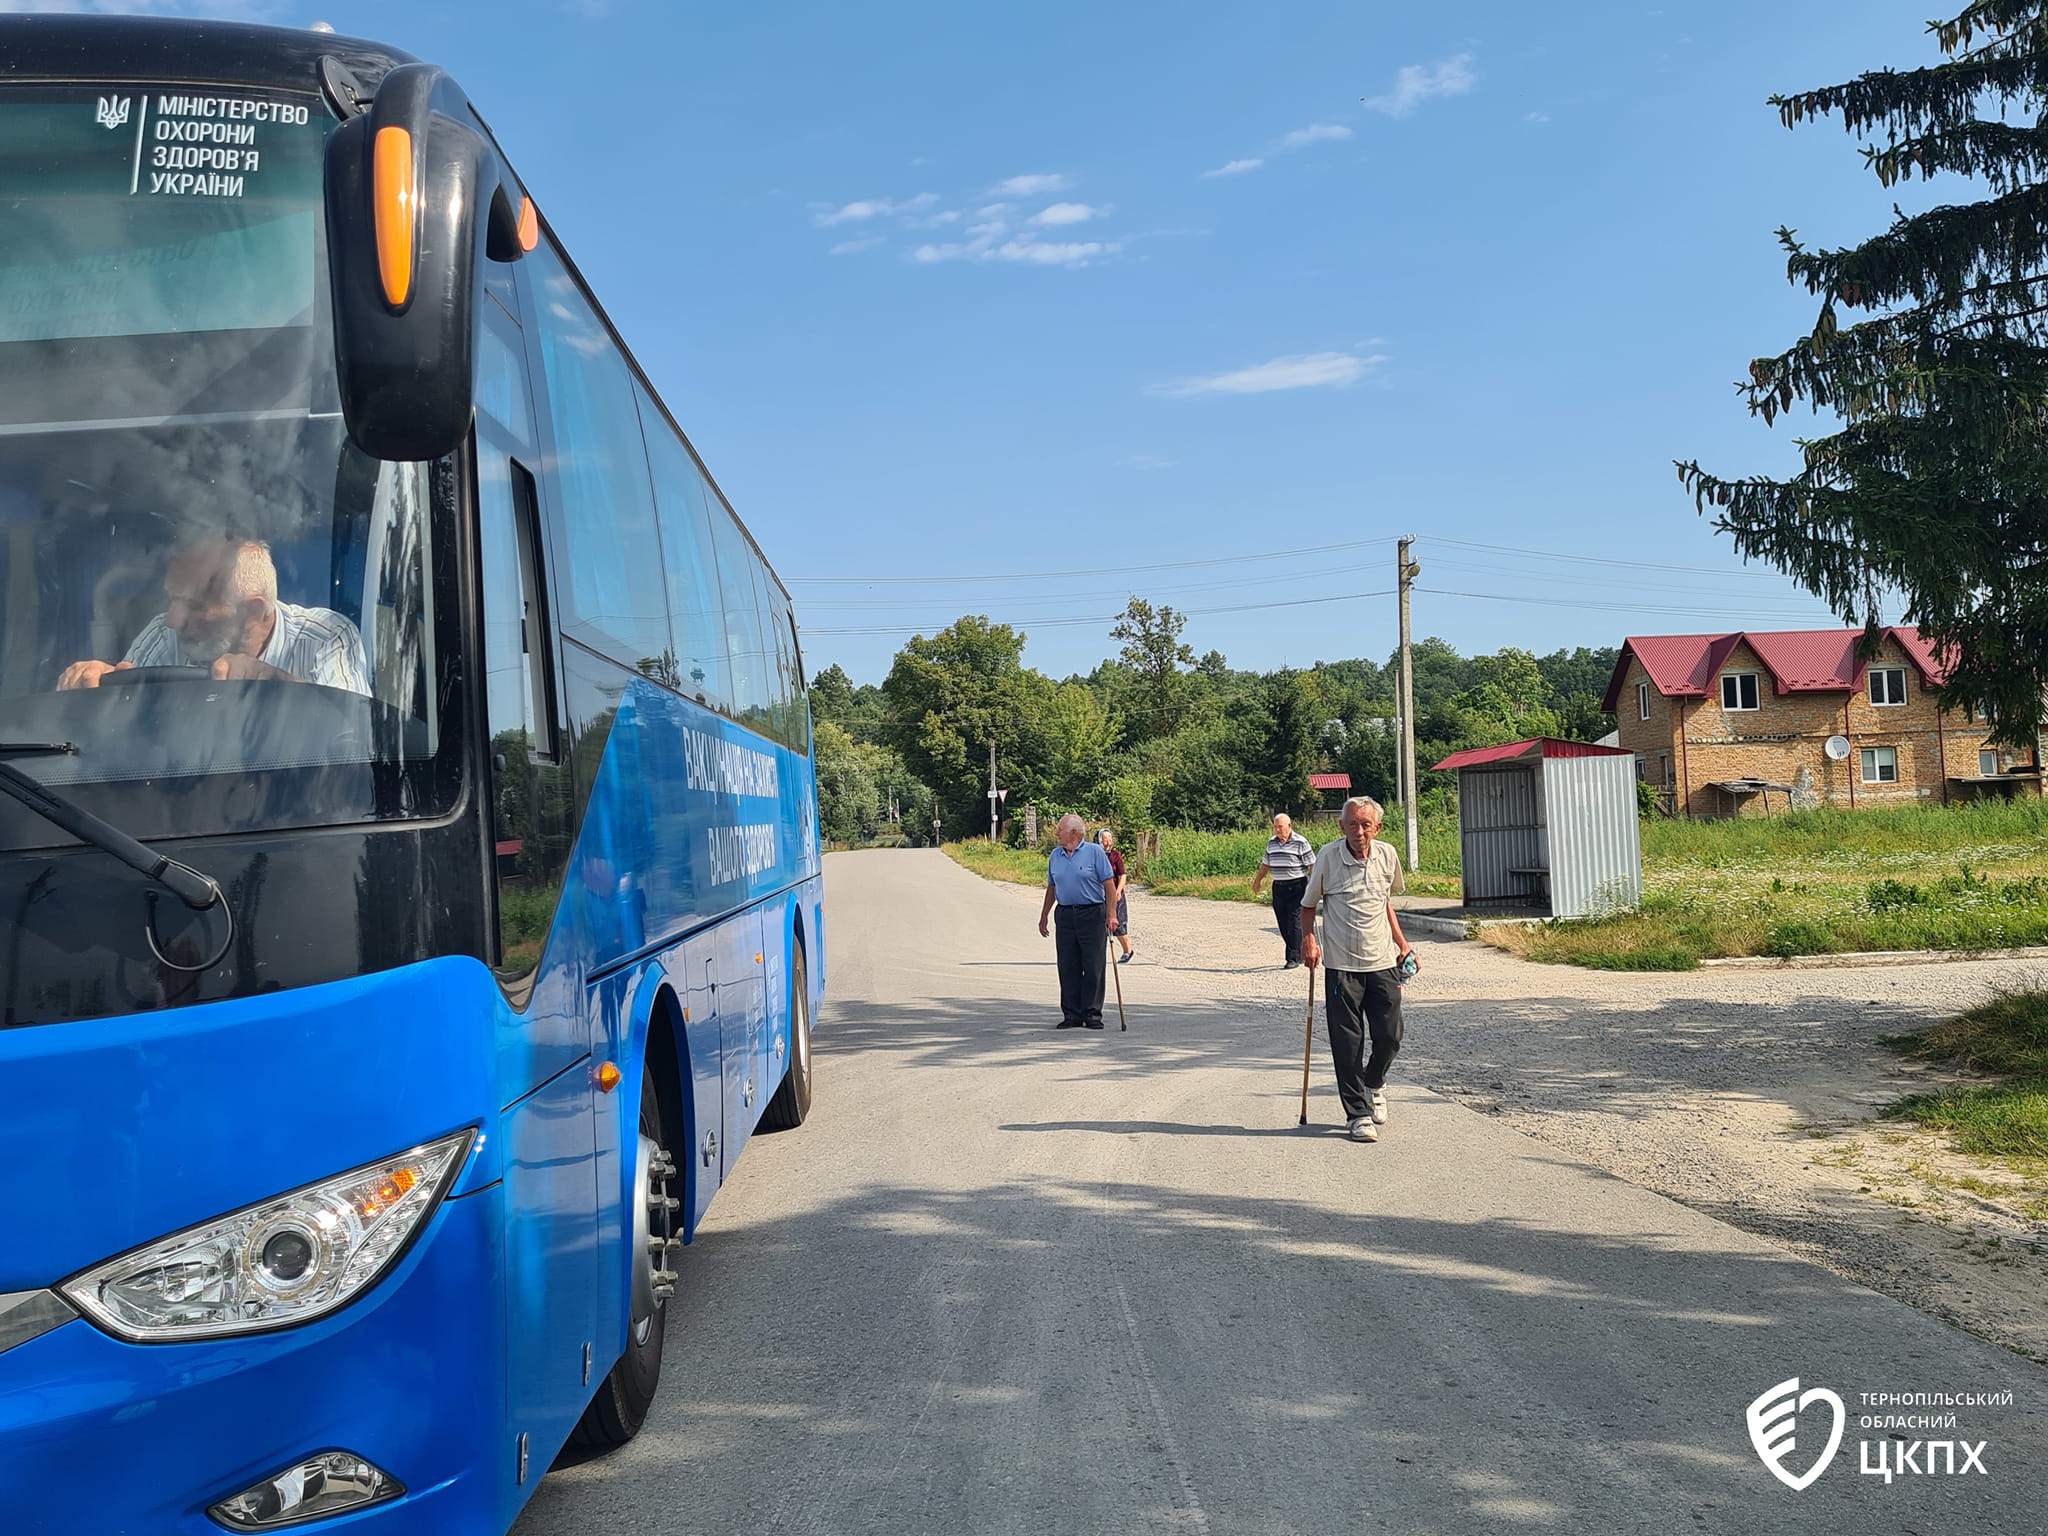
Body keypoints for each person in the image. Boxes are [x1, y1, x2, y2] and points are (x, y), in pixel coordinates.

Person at [56, 533, 370, 695]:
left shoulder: (326, 637)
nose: (172, 620)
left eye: (195, 605)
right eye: (172, 600)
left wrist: (277, 684)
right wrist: (95, 689)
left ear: (253, 610)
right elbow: (127, 726)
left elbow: (355, 734)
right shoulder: (162, 634)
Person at [1300, 796, 1414, 1143]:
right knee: (1347, 1043)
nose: (1359, 831)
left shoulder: (1387, 855)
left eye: (1366, 824)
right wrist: (1309, 940)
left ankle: (1375, 1082)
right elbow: (1308, 905)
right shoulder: (1328, 856)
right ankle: (1358, 1114)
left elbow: (1384, 902)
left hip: (1382, 962)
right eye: (1352, 824)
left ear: (1377, 828)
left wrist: (1403, 943)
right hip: (1341, 965)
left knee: (1390, 1036)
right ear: (1341, 826)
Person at [1037, 813, 1120, 1029]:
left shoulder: (1094, 852)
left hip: (1092, 913)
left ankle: (1092, 1014)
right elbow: (1052, 887)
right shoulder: (1055, 855)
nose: (1056, 833)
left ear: (1074, 832)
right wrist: (1044, 914)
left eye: (1060, 830)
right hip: (1065, 914)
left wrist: (1111, 914)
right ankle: (1072, 1014)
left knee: (1093, 965)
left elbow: (1109, 886)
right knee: (1067, 965)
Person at [1250, 812, 1316, 968]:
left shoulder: (1300, 842)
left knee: (1294, 921)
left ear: (1289, 826)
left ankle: (1292, 958)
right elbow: (1265, 864)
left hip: (1297, 886)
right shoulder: (1271, 843)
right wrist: (1257, 881)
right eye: (1275, 827)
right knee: (1283, 922)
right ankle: (1297, 950)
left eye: (1280, 827)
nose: (1277, 830)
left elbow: (1312, 864)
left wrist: (1315, 885)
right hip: (1279, 887)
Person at [1096, 826, 1134, 963]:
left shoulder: (1115, 855)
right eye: (1105, 839)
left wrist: (1118, 891)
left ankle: (1127, 950)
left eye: (1110, 839)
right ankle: (1099, 954)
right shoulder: (1095, 855)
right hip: (1100, 895)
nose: (1108, 842)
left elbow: (1122, 875)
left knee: (1118, 923)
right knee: (1100, 926)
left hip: (1115, 894)